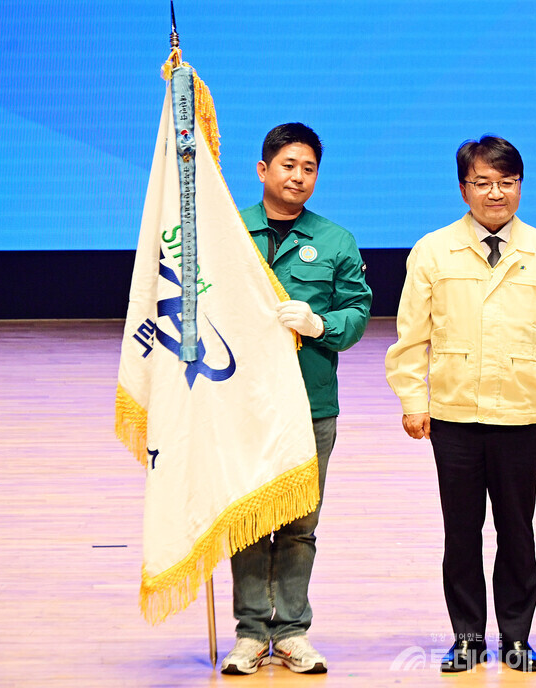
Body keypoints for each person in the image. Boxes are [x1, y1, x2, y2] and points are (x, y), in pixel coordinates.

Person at [385, 135, 536, 673]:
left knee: (518, 529)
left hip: (523, 414)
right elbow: (410, 340)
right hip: (453, 415)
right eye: (484, 182)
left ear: (520, 186)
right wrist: (412, 399)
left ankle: (517, 636)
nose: (496, 193)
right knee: (461, 529)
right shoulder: (432, 250)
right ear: (463, 188)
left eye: (507, 182)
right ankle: (468, 636)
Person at [220, 122, 372, 675]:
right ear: (263, 170)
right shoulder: (226, 234)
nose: (299, 176)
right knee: (248, 520)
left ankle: (291, 632)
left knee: (300, 523)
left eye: (309, 168)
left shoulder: (334, 241)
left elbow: (357, 317)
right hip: (241, 402)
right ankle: (249, 632)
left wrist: (319, 323)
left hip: (310, 403)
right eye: (288, 165)